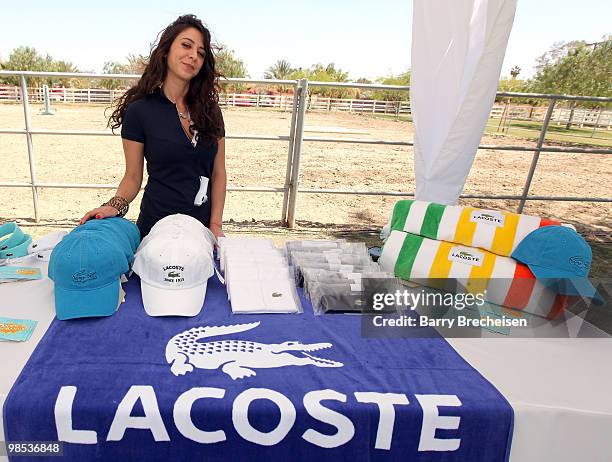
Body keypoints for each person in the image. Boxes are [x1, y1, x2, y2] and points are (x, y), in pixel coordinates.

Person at [80, 14, 226, 239]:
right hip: (155, 230)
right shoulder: (140, 111)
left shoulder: (210, 111)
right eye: (186, 45)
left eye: (200, 52)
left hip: (200, 233)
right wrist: (114, 205)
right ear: (167, 50)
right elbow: (133, 175)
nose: (193, 56)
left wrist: (215, 225)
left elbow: (218, 173)